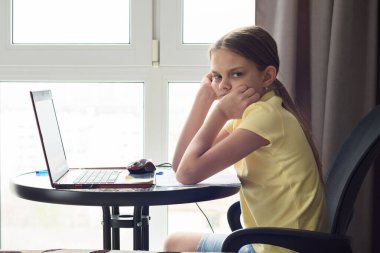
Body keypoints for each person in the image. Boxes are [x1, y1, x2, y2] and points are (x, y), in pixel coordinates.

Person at [163, 26, 328, 253]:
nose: (224, 85)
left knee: (174, 245)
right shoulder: (248, 116)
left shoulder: (266, 117)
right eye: (218, 77)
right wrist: (204, 99)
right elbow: (180, 164)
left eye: (237, 74)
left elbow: (187, 174)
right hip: (263, 242)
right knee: (174, 243)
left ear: (267, 76)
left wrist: (219, 112)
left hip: (282, 248)